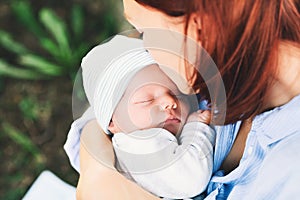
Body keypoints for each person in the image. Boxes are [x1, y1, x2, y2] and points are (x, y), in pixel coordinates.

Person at [64, 0, 300, 199]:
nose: (145, 50)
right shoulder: (209, 71)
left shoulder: (288, 173)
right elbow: (106, 107)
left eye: (144, 33)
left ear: (199, 25)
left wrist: (99, 173)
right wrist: (97, 171)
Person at [79, 35, 215, 199]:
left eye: (178, 94)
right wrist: (197, 128)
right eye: (147, 100)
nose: (170, 102)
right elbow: (191, 179)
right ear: (112, 122)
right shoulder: (137, 144)